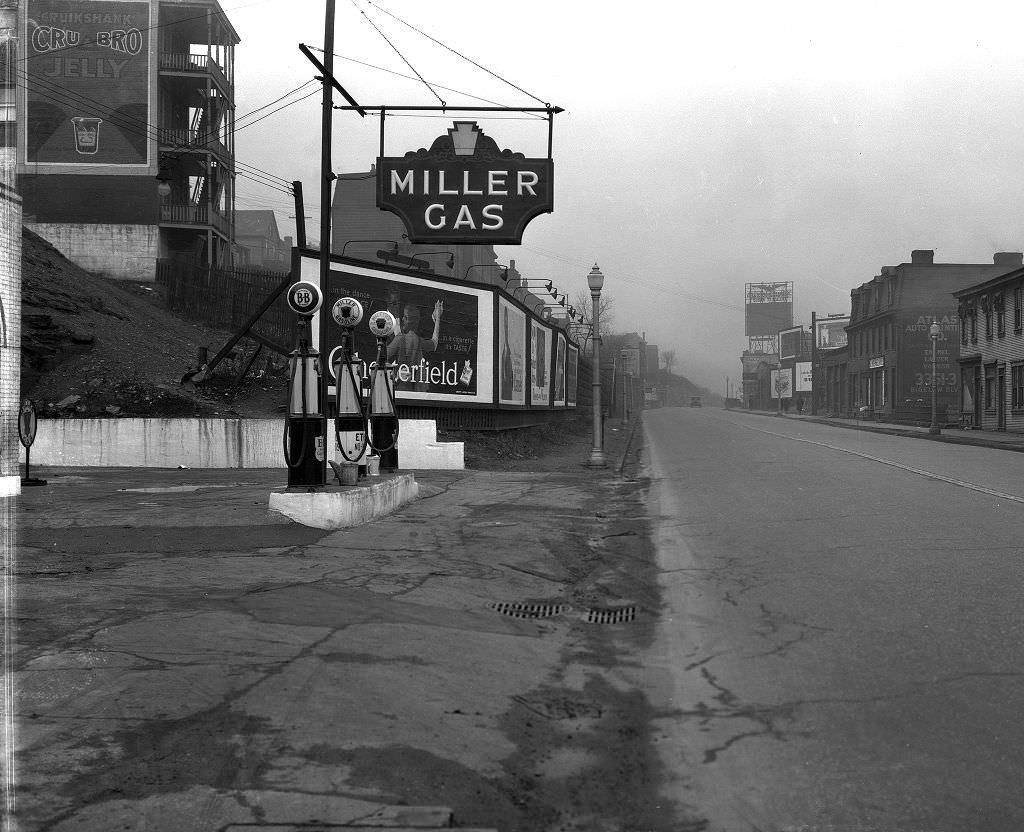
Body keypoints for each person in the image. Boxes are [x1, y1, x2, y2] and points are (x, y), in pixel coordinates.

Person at [387, 299, 443, 391]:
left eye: (405, 317)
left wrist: (396, 373)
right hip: (416, 391)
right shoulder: (417, 340)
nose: (402, 319)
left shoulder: (400, 338)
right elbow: (434, 343)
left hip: (401, 389)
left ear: (411, 321)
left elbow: (381, 358)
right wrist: (437, 319)